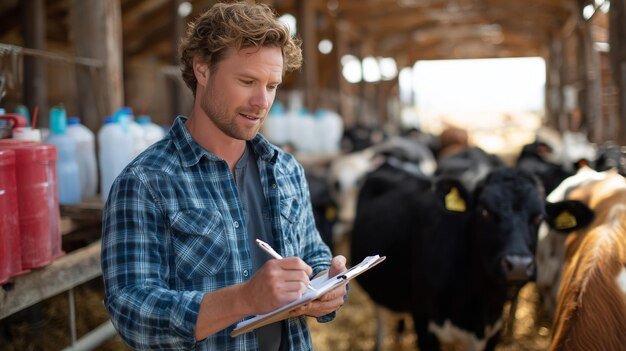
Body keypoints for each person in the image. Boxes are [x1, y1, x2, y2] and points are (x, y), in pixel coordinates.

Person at [101, 2, 348, 350]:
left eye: (272, 85)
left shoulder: (287, 169)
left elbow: (312, 252)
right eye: (247, 81)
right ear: (202, 70)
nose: (262, 101)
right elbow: (131, 311)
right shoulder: (145, 182)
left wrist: (329, 283)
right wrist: (244, 298)